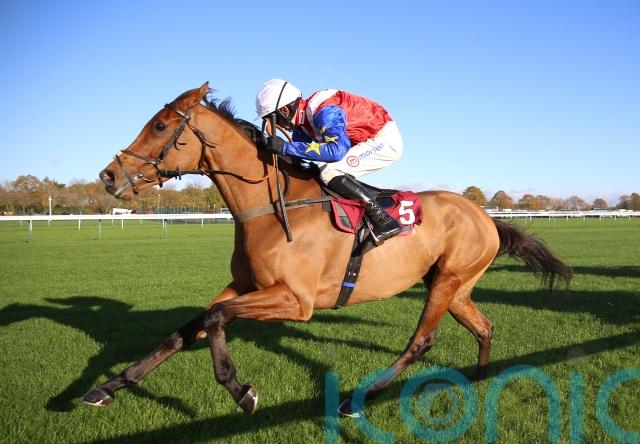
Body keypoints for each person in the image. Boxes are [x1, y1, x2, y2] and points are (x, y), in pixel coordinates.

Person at [255, 79, 403, 245]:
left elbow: (336, 151)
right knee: (317, 170)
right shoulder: (302, 125)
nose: (275, 126)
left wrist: (285, 147)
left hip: (384, 140)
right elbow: (297, 157)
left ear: (284, 110)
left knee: (329, 171)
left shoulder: (324, 112)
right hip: (363, 140)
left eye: (274, 119)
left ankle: (384, 220)